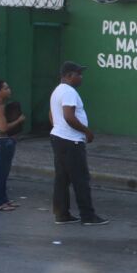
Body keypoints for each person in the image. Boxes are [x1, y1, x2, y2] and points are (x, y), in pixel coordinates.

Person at [48, 61, 108, 226]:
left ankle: (61, 214)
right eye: (78, 74)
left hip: (58, 138)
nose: (81, 78)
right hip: (71, 141)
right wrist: (86, 131)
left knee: (62, 178)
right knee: (80, 179)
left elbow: (52, 114)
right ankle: (87, 216)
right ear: (69, 76)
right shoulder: (69, 92)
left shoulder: (57, 91)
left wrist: (58, 128)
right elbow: (68, 116)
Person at [0, 79, 24, 211]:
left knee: (3, 173)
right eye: (6, 88)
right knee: (0, 174)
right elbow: (3, 128)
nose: (9, 90)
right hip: (2, 142)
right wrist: (19, 120)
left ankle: (4, 200)